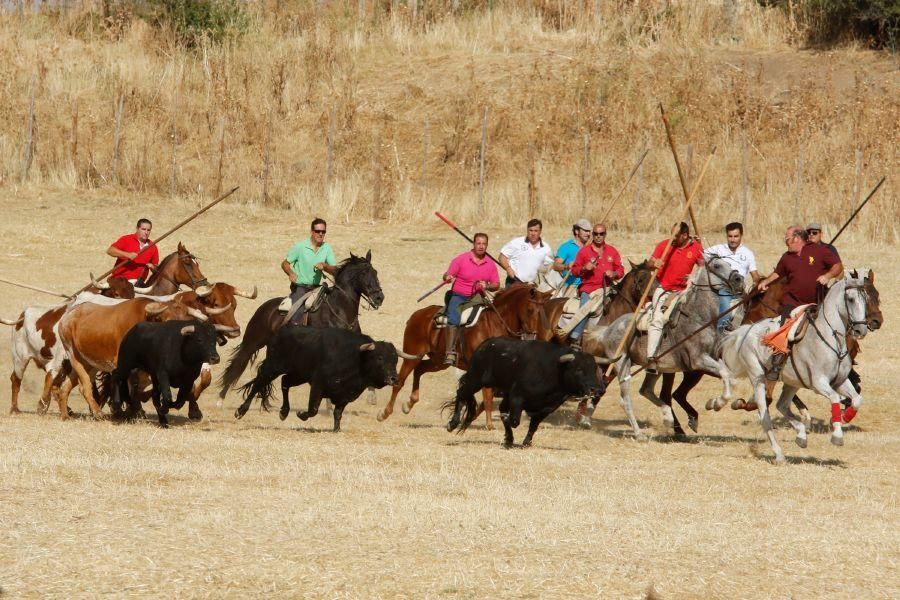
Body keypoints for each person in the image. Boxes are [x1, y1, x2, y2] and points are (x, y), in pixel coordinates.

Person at [757, 225, 842, 380]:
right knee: (783, 329)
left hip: (816, 302)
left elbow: (837, 266)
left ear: (796, 238)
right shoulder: (786, 257)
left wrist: (828, 276)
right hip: (792, 303)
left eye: (787, 238)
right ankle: (777, 363)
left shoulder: (819, 251)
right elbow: (778, 272)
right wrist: (766, 282)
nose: (785, 241)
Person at [645, 222, 704, 375]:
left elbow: (705, 267)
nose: (672, 238)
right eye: (671, 234)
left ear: (684, 235)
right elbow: (649, 262)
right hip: (664, 289)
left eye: (676, 235)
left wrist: (693, 276)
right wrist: (654, 263)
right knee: (657, 319)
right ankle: (652, 357)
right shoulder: (664, 245)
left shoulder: (696, 247)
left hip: (686, 291)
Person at [441, 233, 500, 365]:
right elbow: (447, 275)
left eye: (484, 244)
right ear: (473, 244)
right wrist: (447, 277)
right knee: (454, 318)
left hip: (479, 297)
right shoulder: (461, 259)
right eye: (478, 243)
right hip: (459, 296)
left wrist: (488, 286)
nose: (481, 246)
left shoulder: (490, 264)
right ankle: (450, 352)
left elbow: (496, 285)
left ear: (487, 246)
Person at [567, 223, 624, 349]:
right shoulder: (584, 251)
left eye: (601, 234)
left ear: (605, 235)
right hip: (589, 289)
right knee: (585, 309)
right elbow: (575, 271)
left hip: (608, 288)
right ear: (592, 235)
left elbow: (621, 269)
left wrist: (614, 273)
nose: (598, 236)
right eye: (596, 234)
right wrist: (584, 268)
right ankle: (575, 338)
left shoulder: (612, 251)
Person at [703, 222, 760, 331]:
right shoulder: (718, 249)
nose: (733, 240)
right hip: (723, 287)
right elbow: (701, 255)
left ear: (741, 236)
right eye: (730, 236)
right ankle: (721, 329)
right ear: (727, 236)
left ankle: (725, 330)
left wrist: (759, 283)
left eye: (736, 236)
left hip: (739, 289)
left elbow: (755, 275)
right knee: (724, 293)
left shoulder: (748, 253)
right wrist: (696, 243)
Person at [281, 218, 338, 326]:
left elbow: (334, 270)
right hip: (300, 287)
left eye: (323, 231)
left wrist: (325, 266)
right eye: (318, 231)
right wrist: (291, 273)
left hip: (317, 287)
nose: (321, 234)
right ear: (312, 232)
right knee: (298, 309)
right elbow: (285, 263)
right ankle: (295, 331)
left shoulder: (327, 248)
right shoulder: (301, 247)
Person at [499, 219, 554, 287]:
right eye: (530, 230)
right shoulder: (517, 242)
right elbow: (502, 257)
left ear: (540, 231)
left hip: (533, 286)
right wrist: (508, 268)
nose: (533, 233)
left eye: (536, 231)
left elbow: (549, 267)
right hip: (514, 283)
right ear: (527, 230)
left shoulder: (546, 248)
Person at [107, 218, 160, 284]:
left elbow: (157, 269)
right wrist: (127, 254)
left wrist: (153, 267)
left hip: (138, 283)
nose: (146, 232)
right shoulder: (126, 239)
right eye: (143, 229)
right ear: (137, 228)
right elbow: (110, 250)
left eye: (148, 230)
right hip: (120, 281)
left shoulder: (153, 246)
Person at [552, 218, 592, 291]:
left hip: (588, 285)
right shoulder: (566, 246)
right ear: (577, 231)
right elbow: (555, 266)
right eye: (585, 231)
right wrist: (567, 266)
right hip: (571, 286)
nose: (588, 234)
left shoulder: (590, 248)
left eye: (589, 231)